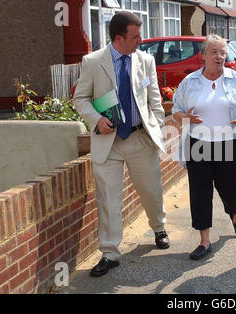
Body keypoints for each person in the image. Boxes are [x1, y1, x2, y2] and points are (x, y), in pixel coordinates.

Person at [73, 12, 169, 277]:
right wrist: (96, 119)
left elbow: (155, 100)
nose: (141, 40)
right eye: (136, 36)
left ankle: (159, 228)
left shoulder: (146, 60)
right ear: (119, 38)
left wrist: (157, 125)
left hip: (140, 138)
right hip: (108, 142)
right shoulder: (92, 62)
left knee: (151, 190)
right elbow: (80, 99)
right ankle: (110, 253)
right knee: (108, 200)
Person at [172, 34, 236, 260]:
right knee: (200, 192)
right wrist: (186, 116)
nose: (220, 56)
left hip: (228, 143)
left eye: (223, 52)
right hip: (198, 144)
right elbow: (175, 109)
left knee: (231, 188)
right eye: (214, 52)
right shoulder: (190, 81)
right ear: (203, 56)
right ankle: (204, 240)